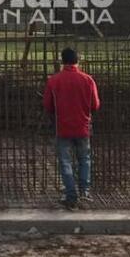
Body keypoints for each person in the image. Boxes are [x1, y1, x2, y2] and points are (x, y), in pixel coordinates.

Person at [43, 47, 101, 209]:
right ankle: (84, 192)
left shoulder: (54, 81)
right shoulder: (88, 80)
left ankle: (71, 195)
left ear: (62, 61)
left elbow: (47, 105)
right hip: (83, 127)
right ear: (78, 60)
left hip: (62, 128)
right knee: (84, 160)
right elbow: (95, 105)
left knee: (65, 162)